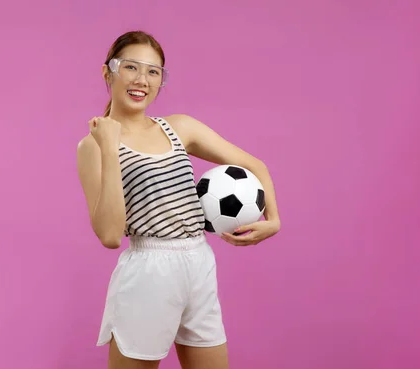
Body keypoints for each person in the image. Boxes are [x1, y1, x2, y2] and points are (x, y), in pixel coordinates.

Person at [76, 30, 281, 369]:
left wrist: (273, 219)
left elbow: (254, 165)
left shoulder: (180, 128)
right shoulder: (92, 147)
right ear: (107, 72)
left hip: (198, 264)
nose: (142, 79)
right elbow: (111, 236)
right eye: (131, 67)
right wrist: (110, 147)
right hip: (148, 272)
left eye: (153, 71)